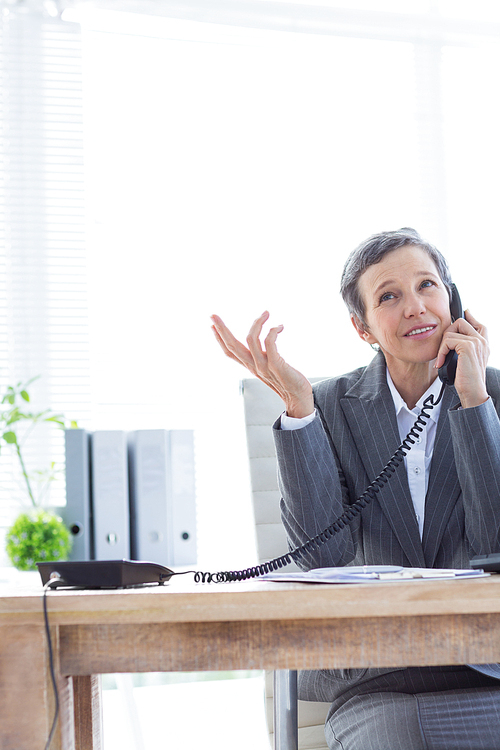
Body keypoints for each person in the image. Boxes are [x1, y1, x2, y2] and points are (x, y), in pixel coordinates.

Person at [211, 228, 500, 750]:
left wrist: (475, 400)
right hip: (377, 681)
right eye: (389, 296)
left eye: (427, 286)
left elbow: (495, 545)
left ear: (453, 300)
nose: (415, 307)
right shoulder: (329, 405)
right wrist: (301, 412)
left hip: (488, 672)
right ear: (362, 327)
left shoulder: (491, 395)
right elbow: (324, 555)